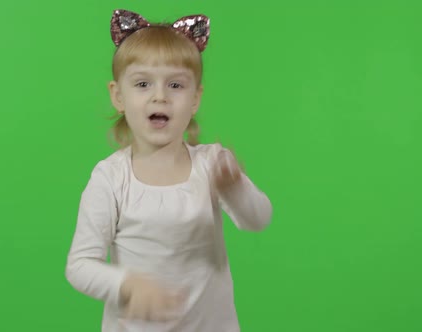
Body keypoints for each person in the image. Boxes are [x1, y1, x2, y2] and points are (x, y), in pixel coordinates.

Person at [65, 9, 273, 332]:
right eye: (143, 84)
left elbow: (258, 219)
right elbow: (79, 266)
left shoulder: (211, 164)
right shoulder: (110, 178)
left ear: (195, 99)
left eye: (176, 85)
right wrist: (127, 285)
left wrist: (235, 188)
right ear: (118, 96)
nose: (160, 96)